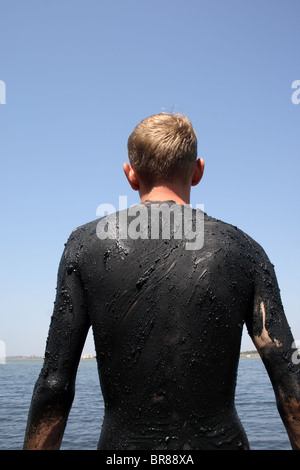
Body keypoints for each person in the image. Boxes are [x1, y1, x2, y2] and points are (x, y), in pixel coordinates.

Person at [23, 113, 300, 450]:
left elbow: (54, 385)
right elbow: (289, 377)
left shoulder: (84, 245)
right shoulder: (244, 249)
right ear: (198, 171)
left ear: (130, 174)